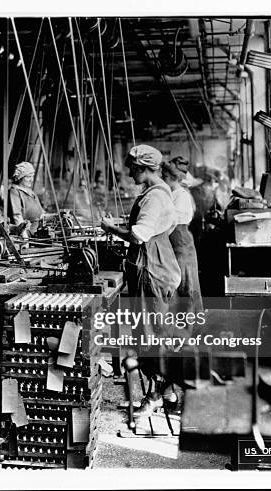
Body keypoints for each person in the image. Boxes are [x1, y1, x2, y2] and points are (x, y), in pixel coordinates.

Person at [100, 144, 181, 417]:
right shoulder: (161, 193)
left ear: (144, 168)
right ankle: (167, 392)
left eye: (133, 168)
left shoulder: (153, 197)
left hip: (151, 268)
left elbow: (139, 235)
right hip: (161, 262)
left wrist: (112, 228)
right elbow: (163, 228)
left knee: (150, 333)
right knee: (159, 330)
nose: (130, 173)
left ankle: (153, 396)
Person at [162, 157, 203, 313]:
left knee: (187, 285)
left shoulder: (181, 195)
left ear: (174, 178)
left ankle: (191, 327)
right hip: (175, 243)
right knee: (178, 285)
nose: (162, 180)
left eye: (164, 177)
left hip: (181, 244)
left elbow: (172, 224)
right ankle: (182, 326)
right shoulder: (172, 193)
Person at [8, 161, 44, 236]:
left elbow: (41, 214)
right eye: (28, 177)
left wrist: (56, 216)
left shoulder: (31, 192)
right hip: (27, 233)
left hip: (38, 230)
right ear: (20, 177)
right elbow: (17, 216)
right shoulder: (14, 192)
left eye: (32, 176)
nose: (31, 180)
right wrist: (24, 236)